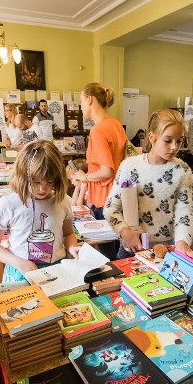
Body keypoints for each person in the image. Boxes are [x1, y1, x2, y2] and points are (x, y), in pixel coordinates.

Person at [104, 109, 193, 259]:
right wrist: (124, 231)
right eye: (168, 140)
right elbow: (111, 208)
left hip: (166, 249)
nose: (174, 147)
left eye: (179, 141)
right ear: (152, 137)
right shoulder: (130, 166)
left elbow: (184, 212)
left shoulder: (182, 170)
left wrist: (182, 241)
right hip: (132, 247)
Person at [0, 140, 80, 283]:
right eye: (36, 182)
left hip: (56, 270)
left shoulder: (62, 201)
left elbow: (68, 234)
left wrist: (72, 247)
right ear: (23, 176)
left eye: (50, 182)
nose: (43, 188)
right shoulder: (9, 203)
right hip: (20, 271)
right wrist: (19, 263)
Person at [72, 82, 127, 259]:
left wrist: (84, 176)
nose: (80, 107)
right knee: (120, 250)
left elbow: (106, 171)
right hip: (120, 196)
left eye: (81, 101)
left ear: (89, 99)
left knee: (108, 257)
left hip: (104, 200)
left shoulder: (98, 130)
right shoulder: (117, 125)